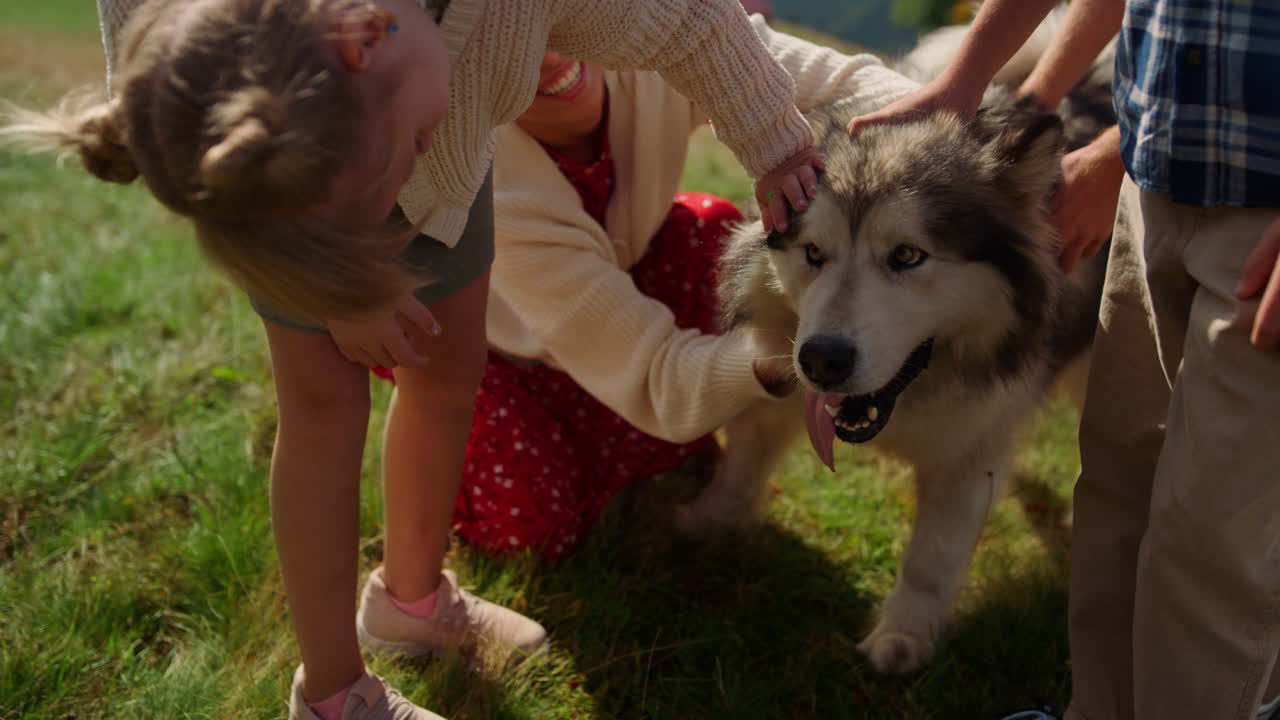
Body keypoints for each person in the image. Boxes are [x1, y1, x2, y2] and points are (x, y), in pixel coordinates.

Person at [2, 1, 837, 718]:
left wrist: (778, 147)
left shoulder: (468, 55)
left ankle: (411, 601)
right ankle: (334, 695)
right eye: (401, 158)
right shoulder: (303, 114)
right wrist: (336, 283)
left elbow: (690, 21)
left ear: (367, 37)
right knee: (323, 405)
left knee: (446, 366)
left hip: (439, 132)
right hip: (280, 195)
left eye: (404, 150)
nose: (392, 216)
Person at [847, 1, 1280, 718]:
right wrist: (1012, 97)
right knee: (1117, 483)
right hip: (1151, 179)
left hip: (1263, 218)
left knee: (1213, 533)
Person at [446, 20, 919, 559]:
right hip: (506, 355)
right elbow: (658, 375)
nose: (549, 52)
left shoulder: (642, 39)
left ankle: (646, 441)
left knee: (711, 230)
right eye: (504, 33)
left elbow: (849, 84)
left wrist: (958, 132)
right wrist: (787, 351)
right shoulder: (493, 182)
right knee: (533, 529)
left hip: (620, 303)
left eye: (554, 8)